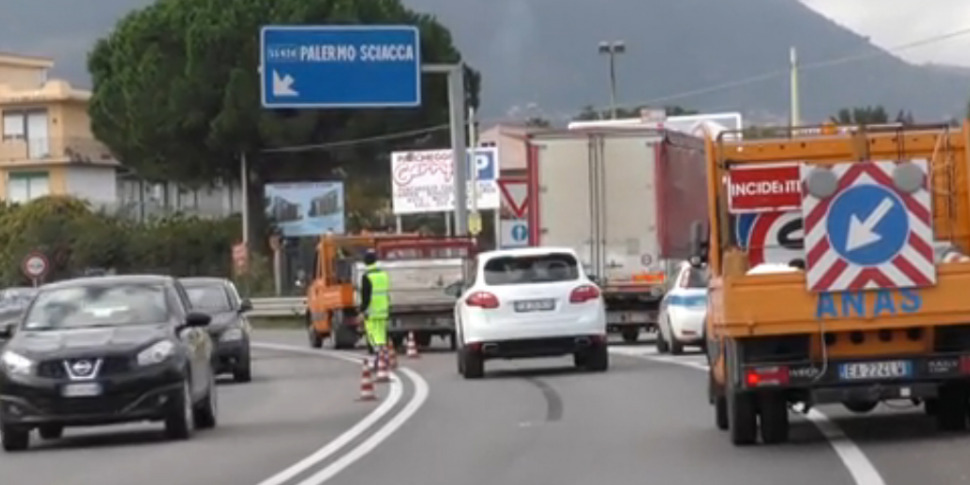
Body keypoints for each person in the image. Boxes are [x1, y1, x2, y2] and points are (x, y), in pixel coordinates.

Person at [359, 250, 391, 362]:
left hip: (371, 312)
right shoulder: (383, 275)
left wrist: (362, 310)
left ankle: (379, 356)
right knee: (381, 334)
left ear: (365, 262)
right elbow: (386, 292)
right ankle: (384, 354)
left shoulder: (367, 276)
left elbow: (365, 296)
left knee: (372, 333)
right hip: (383, 310)